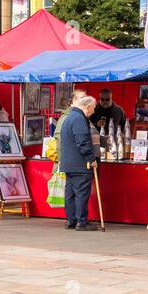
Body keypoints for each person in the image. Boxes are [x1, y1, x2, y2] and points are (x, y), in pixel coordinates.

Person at [59, 93, 99, 231]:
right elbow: (82, 142)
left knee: (70, 193)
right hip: (80, 164)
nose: (94, 111)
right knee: (82, 193)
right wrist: (91, 159)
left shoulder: (69, 117)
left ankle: (71, 220)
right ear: (87, 107)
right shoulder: (79, 119)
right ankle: (81, 221)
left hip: (69, 163)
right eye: (93, 108)